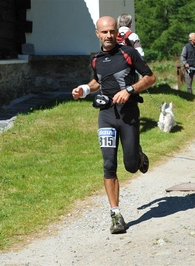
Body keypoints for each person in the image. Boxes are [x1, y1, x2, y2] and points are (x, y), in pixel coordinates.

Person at [71, 16, 156, 234]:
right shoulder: (96, 59)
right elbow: (98, 81)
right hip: (106, 115)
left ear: (116, 32)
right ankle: (116, 215)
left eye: (112, 32)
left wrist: (129, 90)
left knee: (130, 166)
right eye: (104, 32)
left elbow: (150, 77)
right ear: (97, 34)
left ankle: (137, 154)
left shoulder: (129, 53)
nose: (109, 36)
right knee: (109, 164)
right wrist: (84, 90)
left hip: (128, 114)